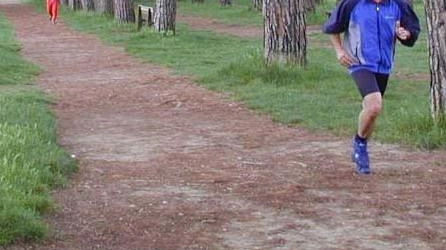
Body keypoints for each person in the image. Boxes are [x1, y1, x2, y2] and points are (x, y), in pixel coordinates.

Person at [323, 0, 420, 174]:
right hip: (359, 63)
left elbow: (412, 32)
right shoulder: (352, 3)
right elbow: (332, 27)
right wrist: (339, 51)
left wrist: (405, 34)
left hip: (383, 65)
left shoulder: (398, 5)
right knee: (375, 104)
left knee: (371, 111)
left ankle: (361, 145)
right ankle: (360, 145)